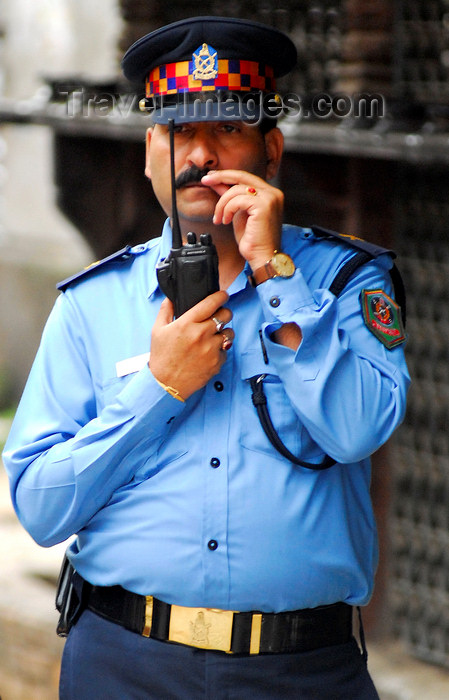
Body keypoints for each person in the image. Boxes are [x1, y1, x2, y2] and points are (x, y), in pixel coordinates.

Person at [3, 16, 410, 700]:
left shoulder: (344, 283)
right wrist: (158, 388)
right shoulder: (91, 303)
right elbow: (41, 509)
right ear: (148, 150)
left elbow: (357, 431)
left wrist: (275, 274)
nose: (199, 156)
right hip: (122, 665)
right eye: (179, 132)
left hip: (301, 672)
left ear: (270, 150)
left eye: (226, 130)